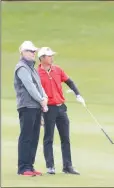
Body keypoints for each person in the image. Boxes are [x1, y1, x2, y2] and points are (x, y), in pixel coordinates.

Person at [37, 47, 86, 175]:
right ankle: (50, 166)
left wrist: (78, 94)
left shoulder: (57, 70)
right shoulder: (36, 73)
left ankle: (67, 166)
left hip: (61, 108)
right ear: (41, 58)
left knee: (65, 138)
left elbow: (69, 82)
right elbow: (35, 94)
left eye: (52, 56)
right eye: (49, 56)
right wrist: (40, 113)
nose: (51, 58)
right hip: (48, 109)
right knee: (49, 138)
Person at [14, 41, 48, 176]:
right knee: (26, 137)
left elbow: (39, 86)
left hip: (36, 106)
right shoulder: (21, 68)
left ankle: (30, 166)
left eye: (34, 51)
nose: (33, 53)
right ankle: (23, 168)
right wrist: (42, 100)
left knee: (34, 137)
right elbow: (30, 87)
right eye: (30, 51)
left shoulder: (32, 68)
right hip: (27, 106)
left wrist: (44, 98)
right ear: (22, 52)